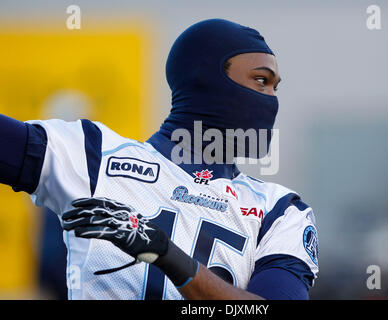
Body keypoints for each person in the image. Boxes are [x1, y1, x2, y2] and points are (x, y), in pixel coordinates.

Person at [0, 19, 319, 300]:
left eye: (275, 87)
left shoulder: (280, 211)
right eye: (261, 80)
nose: (272, 100)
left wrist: (165, 253)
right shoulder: (94, 155)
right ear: (206, 79)